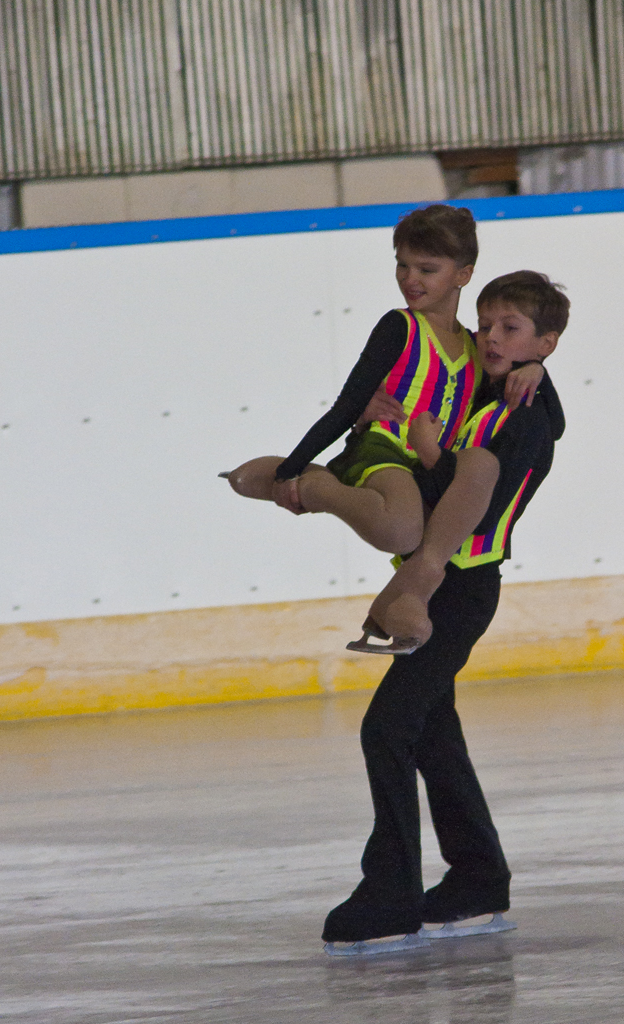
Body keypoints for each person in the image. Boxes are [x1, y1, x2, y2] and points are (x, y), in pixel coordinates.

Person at [322, 270, 569, 949]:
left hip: (461, 590)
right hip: (445, 586)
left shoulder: (524, 416)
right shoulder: (491, 396)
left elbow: (472, 506)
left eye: (510, 329)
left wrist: (430, 455)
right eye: (485, 325)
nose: (490, 337)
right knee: (431, 732)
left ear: (544, 342)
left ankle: (390, 896)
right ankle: (478, 882)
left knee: (387, 729)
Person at [223, 206, 544, 651]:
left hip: (426, 469)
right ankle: (318, 485)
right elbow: (346, 406)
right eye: (402, 265)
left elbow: (542, 406)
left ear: (463, 275)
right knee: (401, 532)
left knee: (435, 515)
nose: (410, 279)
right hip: (382, 448)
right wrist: (289, 471)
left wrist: (536, 368)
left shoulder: (477, 345)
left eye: (426, 269)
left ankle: (396, 599)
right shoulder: (400, 327)